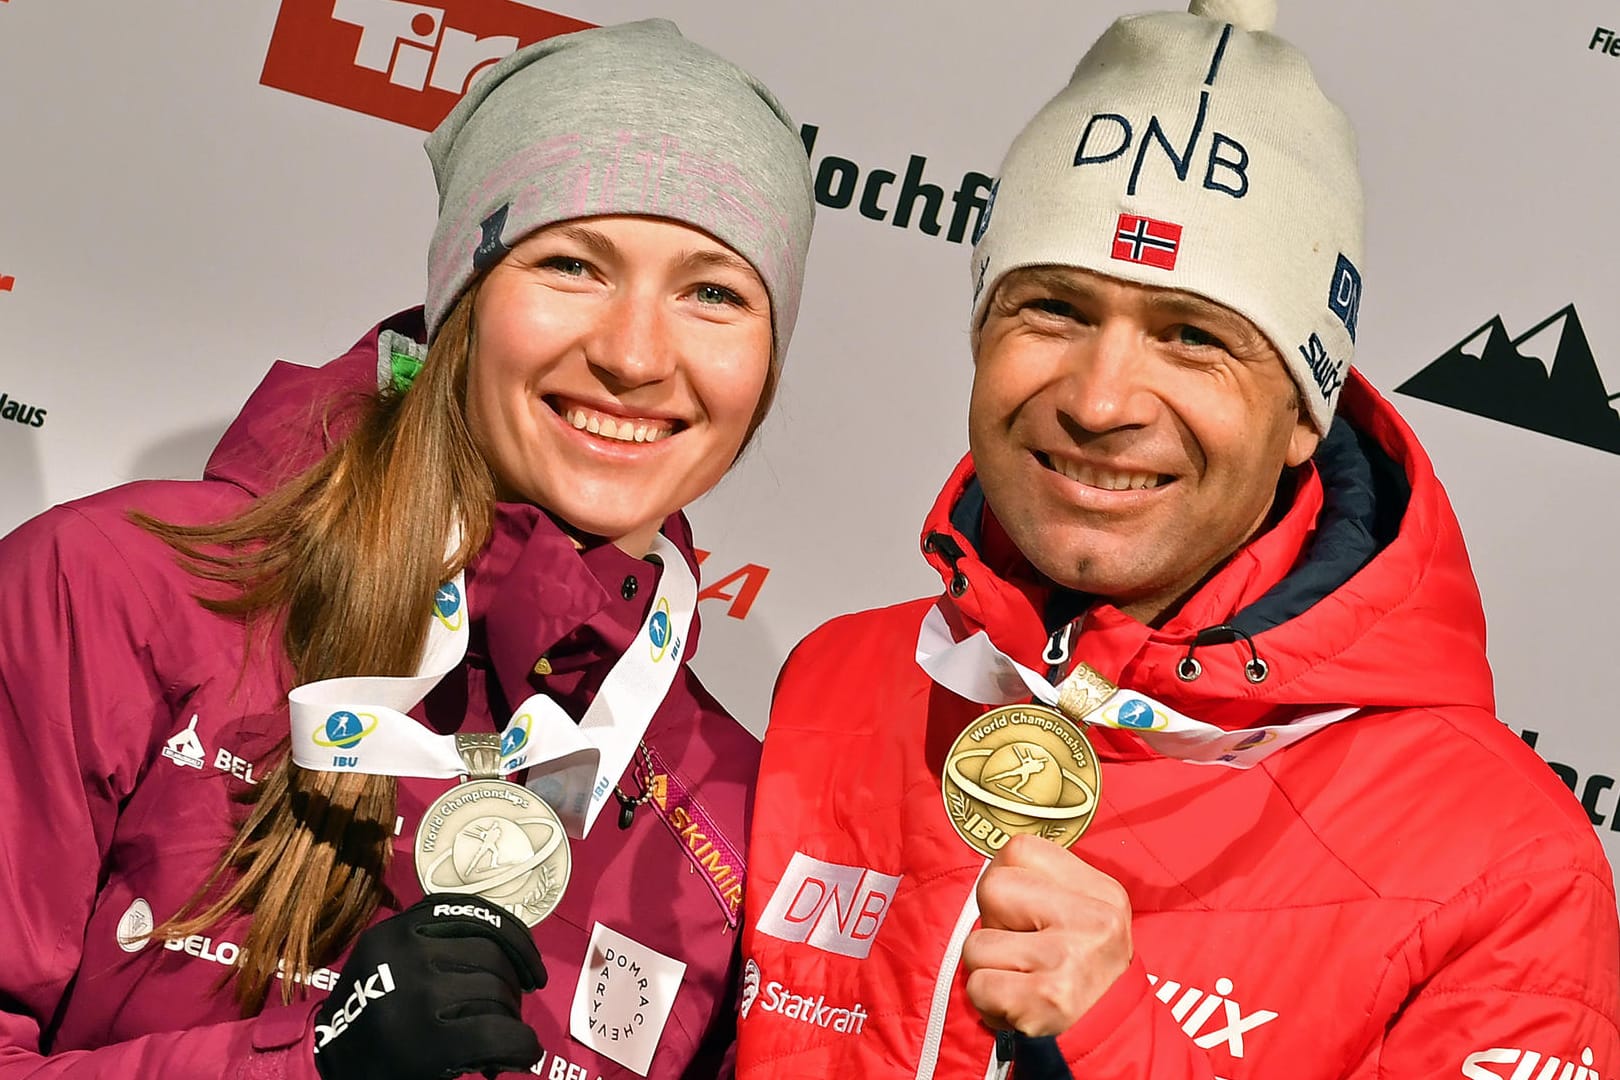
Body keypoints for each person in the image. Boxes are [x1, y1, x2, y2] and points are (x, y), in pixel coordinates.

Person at [737, 1, 1620, 1076]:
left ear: (1306, 413)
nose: (1103, 400)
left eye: (1194, 337)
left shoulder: (1507, 864)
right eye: (1054, 310)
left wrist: (1120, 1040)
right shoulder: (837, 680)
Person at [0, 19, 813, 1079]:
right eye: (572, 263)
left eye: (714, 292)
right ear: (462, 302)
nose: (632, 354)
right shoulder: (118, 591)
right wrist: (312, 1066)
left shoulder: (733, 806)